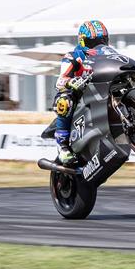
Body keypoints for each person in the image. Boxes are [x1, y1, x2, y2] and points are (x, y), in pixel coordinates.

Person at [52, 20, 109, 166]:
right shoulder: (73, 56)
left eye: (101, 41)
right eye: (93, 42)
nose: (98, 45)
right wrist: (72, 82)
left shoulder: (108, 56)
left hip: (99, 95)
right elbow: (60, 82)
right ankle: (62, 146)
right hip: (79, 96)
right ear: (82, 41)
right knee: (64, 101)